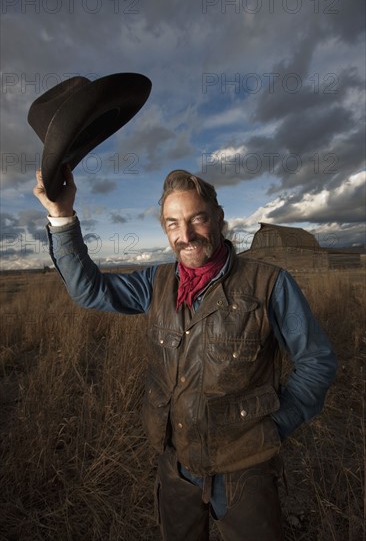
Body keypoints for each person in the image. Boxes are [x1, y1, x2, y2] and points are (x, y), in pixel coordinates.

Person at [33, 167, 337, 541]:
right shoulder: (157, 283)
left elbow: (316, 361)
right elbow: (88, 290)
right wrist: (61, 216)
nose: (186, 235)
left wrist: (275, 424)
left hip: (245, 468)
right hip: (175, 464)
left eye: (197, 219)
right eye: (173, 224)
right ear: (165, 229)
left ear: (219, 218)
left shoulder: (269, 284)